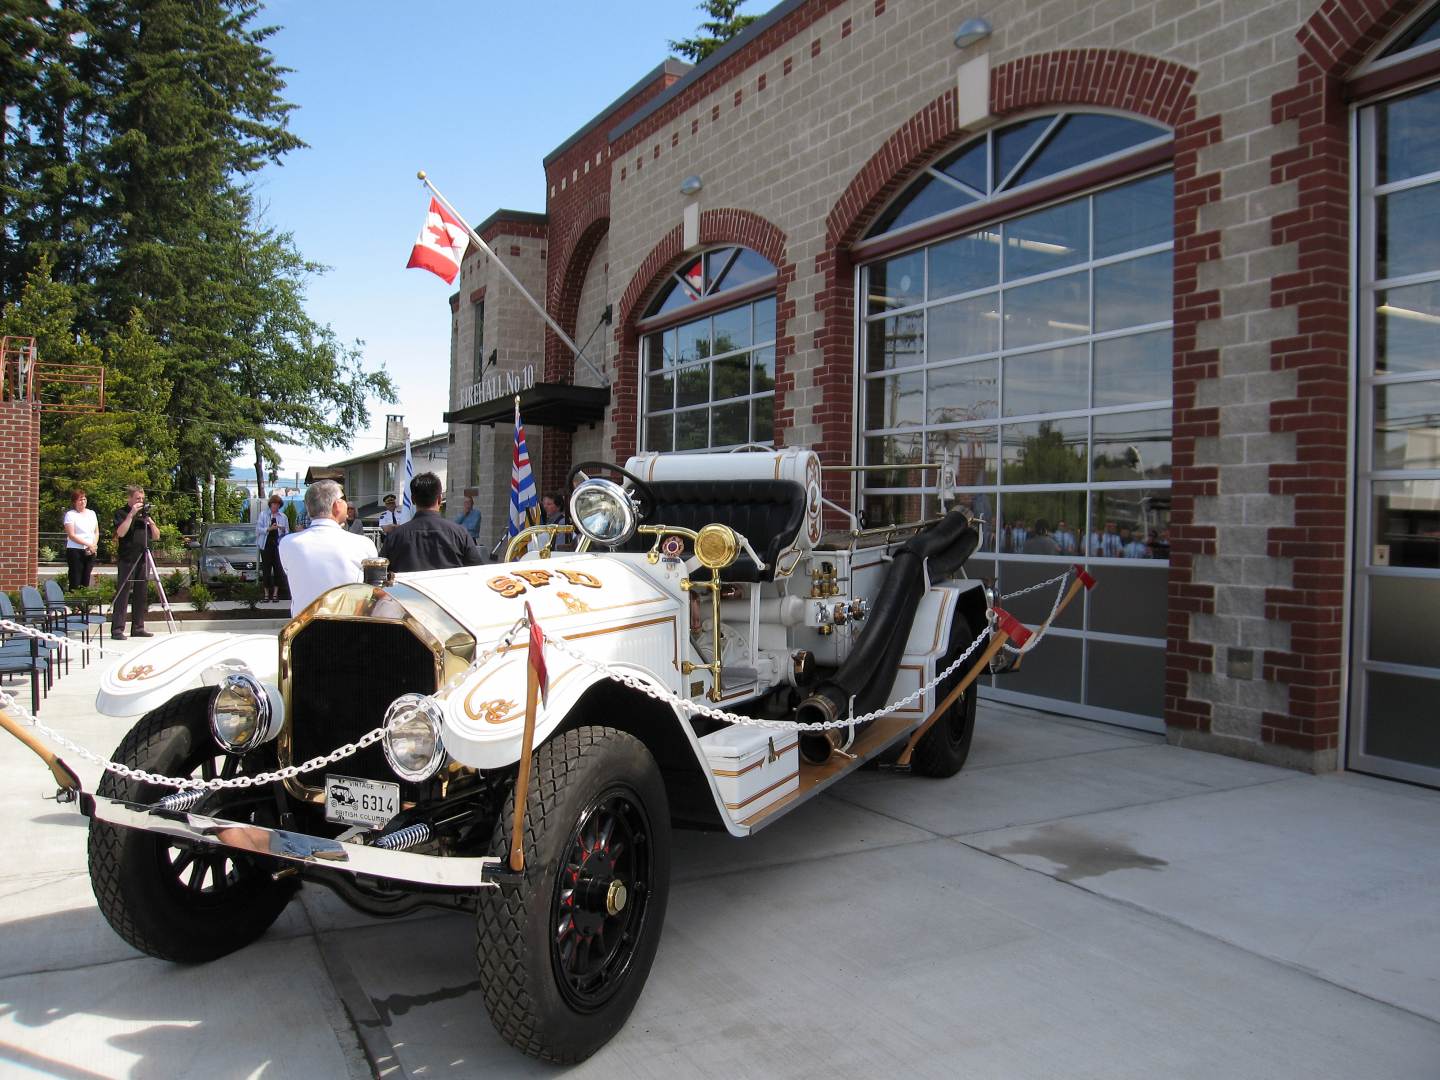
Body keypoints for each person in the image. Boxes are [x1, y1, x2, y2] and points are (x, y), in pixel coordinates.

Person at [279, 481, 377, 616]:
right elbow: (372, 590)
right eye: (344, 499)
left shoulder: (288, 543)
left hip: (302, 628)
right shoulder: (364, 544)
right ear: (337, 505)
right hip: (349, 628)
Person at [382, 472, 485, 572]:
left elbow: (380, 575)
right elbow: (477, 572)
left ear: (413, 500)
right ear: (440, 499)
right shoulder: (460, 534)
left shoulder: (395, 537)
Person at [111, 485, 159, 640]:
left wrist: (150, 522)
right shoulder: (121, 513)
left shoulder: (144, 516)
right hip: (127, 558)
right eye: (138, 498)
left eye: (142, 498)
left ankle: (138, 627)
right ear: (130, 498)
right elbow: (120, 532)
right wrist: (131, 515)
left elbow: (156, 536)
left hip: (143, 558)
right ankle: (118, 629)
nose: (141, 501)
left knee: (141, 593)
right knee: (123, 593)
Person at [255, 493, 290, 603]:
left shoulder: (283, 516)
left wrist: (281, 528)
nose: (275, 506)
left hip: (278, 546)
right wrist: (269, 528)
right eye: (274, 504)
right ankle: (266, 594)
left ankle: (275, 594)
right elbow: (258, 529)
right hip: (266, 545)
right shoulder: (263, 514)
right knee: (266, 570)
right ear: (270, 504)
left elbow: (287, 532)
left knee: (278, 570)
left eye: (278, 505)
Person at [62, 488, 98, 588]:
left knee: (86, 579)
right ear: (75, 502)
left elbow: (96, 531)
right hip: (75, 550)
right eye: (80, 500)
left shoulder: (92, 513)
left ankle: (84, 602)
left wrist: (93, 545)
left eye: (84, 499)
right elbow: (71, 535)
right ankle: (74, 602)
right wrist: (88, 544)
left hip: (90, 551)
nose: (83, 502)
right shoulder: (70, 515)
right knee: (75, 579)